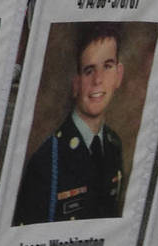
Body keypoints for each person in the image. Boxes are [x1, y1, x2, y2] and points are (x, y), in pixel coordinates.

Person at [14, 24, 127, 225]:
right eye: (89, 70)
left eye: (107, 66)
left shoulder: (114, 145)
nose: (98, 80)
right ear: (76, 84)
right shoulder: (48, 159)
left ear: (118, 75)